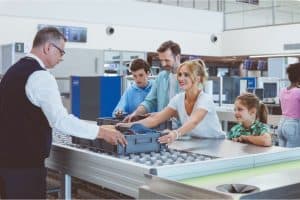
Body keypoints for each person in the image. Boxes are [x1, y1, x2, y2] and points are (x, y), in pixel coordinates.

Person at [0, 27, 126, 199]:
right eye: (61, 52)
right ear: (48, 48)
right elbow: (61, 121)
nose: (61, 58)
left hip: (6, 164)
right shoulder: (40, 76)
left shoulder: (13, 71)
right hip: (25, 167)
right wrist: (101, 132)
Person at [118, 59, 225, 143]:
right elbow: (155, 119)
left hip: (216, 143)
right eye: (180, 74)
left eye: (186, 75)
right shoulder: (178, 99)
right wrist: (125, 126)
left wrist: (175, 134)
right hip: (196, 142)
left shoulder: (205, 99)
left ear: (197, 78)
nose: (181, 78)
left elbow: (194, 121)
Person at [124, 40, 181, 122]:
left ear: (177, 57)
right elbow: (149, 101)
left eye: (167, 60)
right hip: (163, 127)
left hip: (183, 130)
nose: (163, 64)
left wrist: (159, 115)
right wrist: (135, 114)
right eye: (161, 60)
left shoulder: (190, 78)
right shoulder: (161, 77)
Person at [278, 63, 300, 147]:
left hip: (282, 123)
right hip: (294, 126)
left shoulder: (282, 90)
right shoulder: (298, 92)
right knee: (294, 156)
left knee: (283, 154)